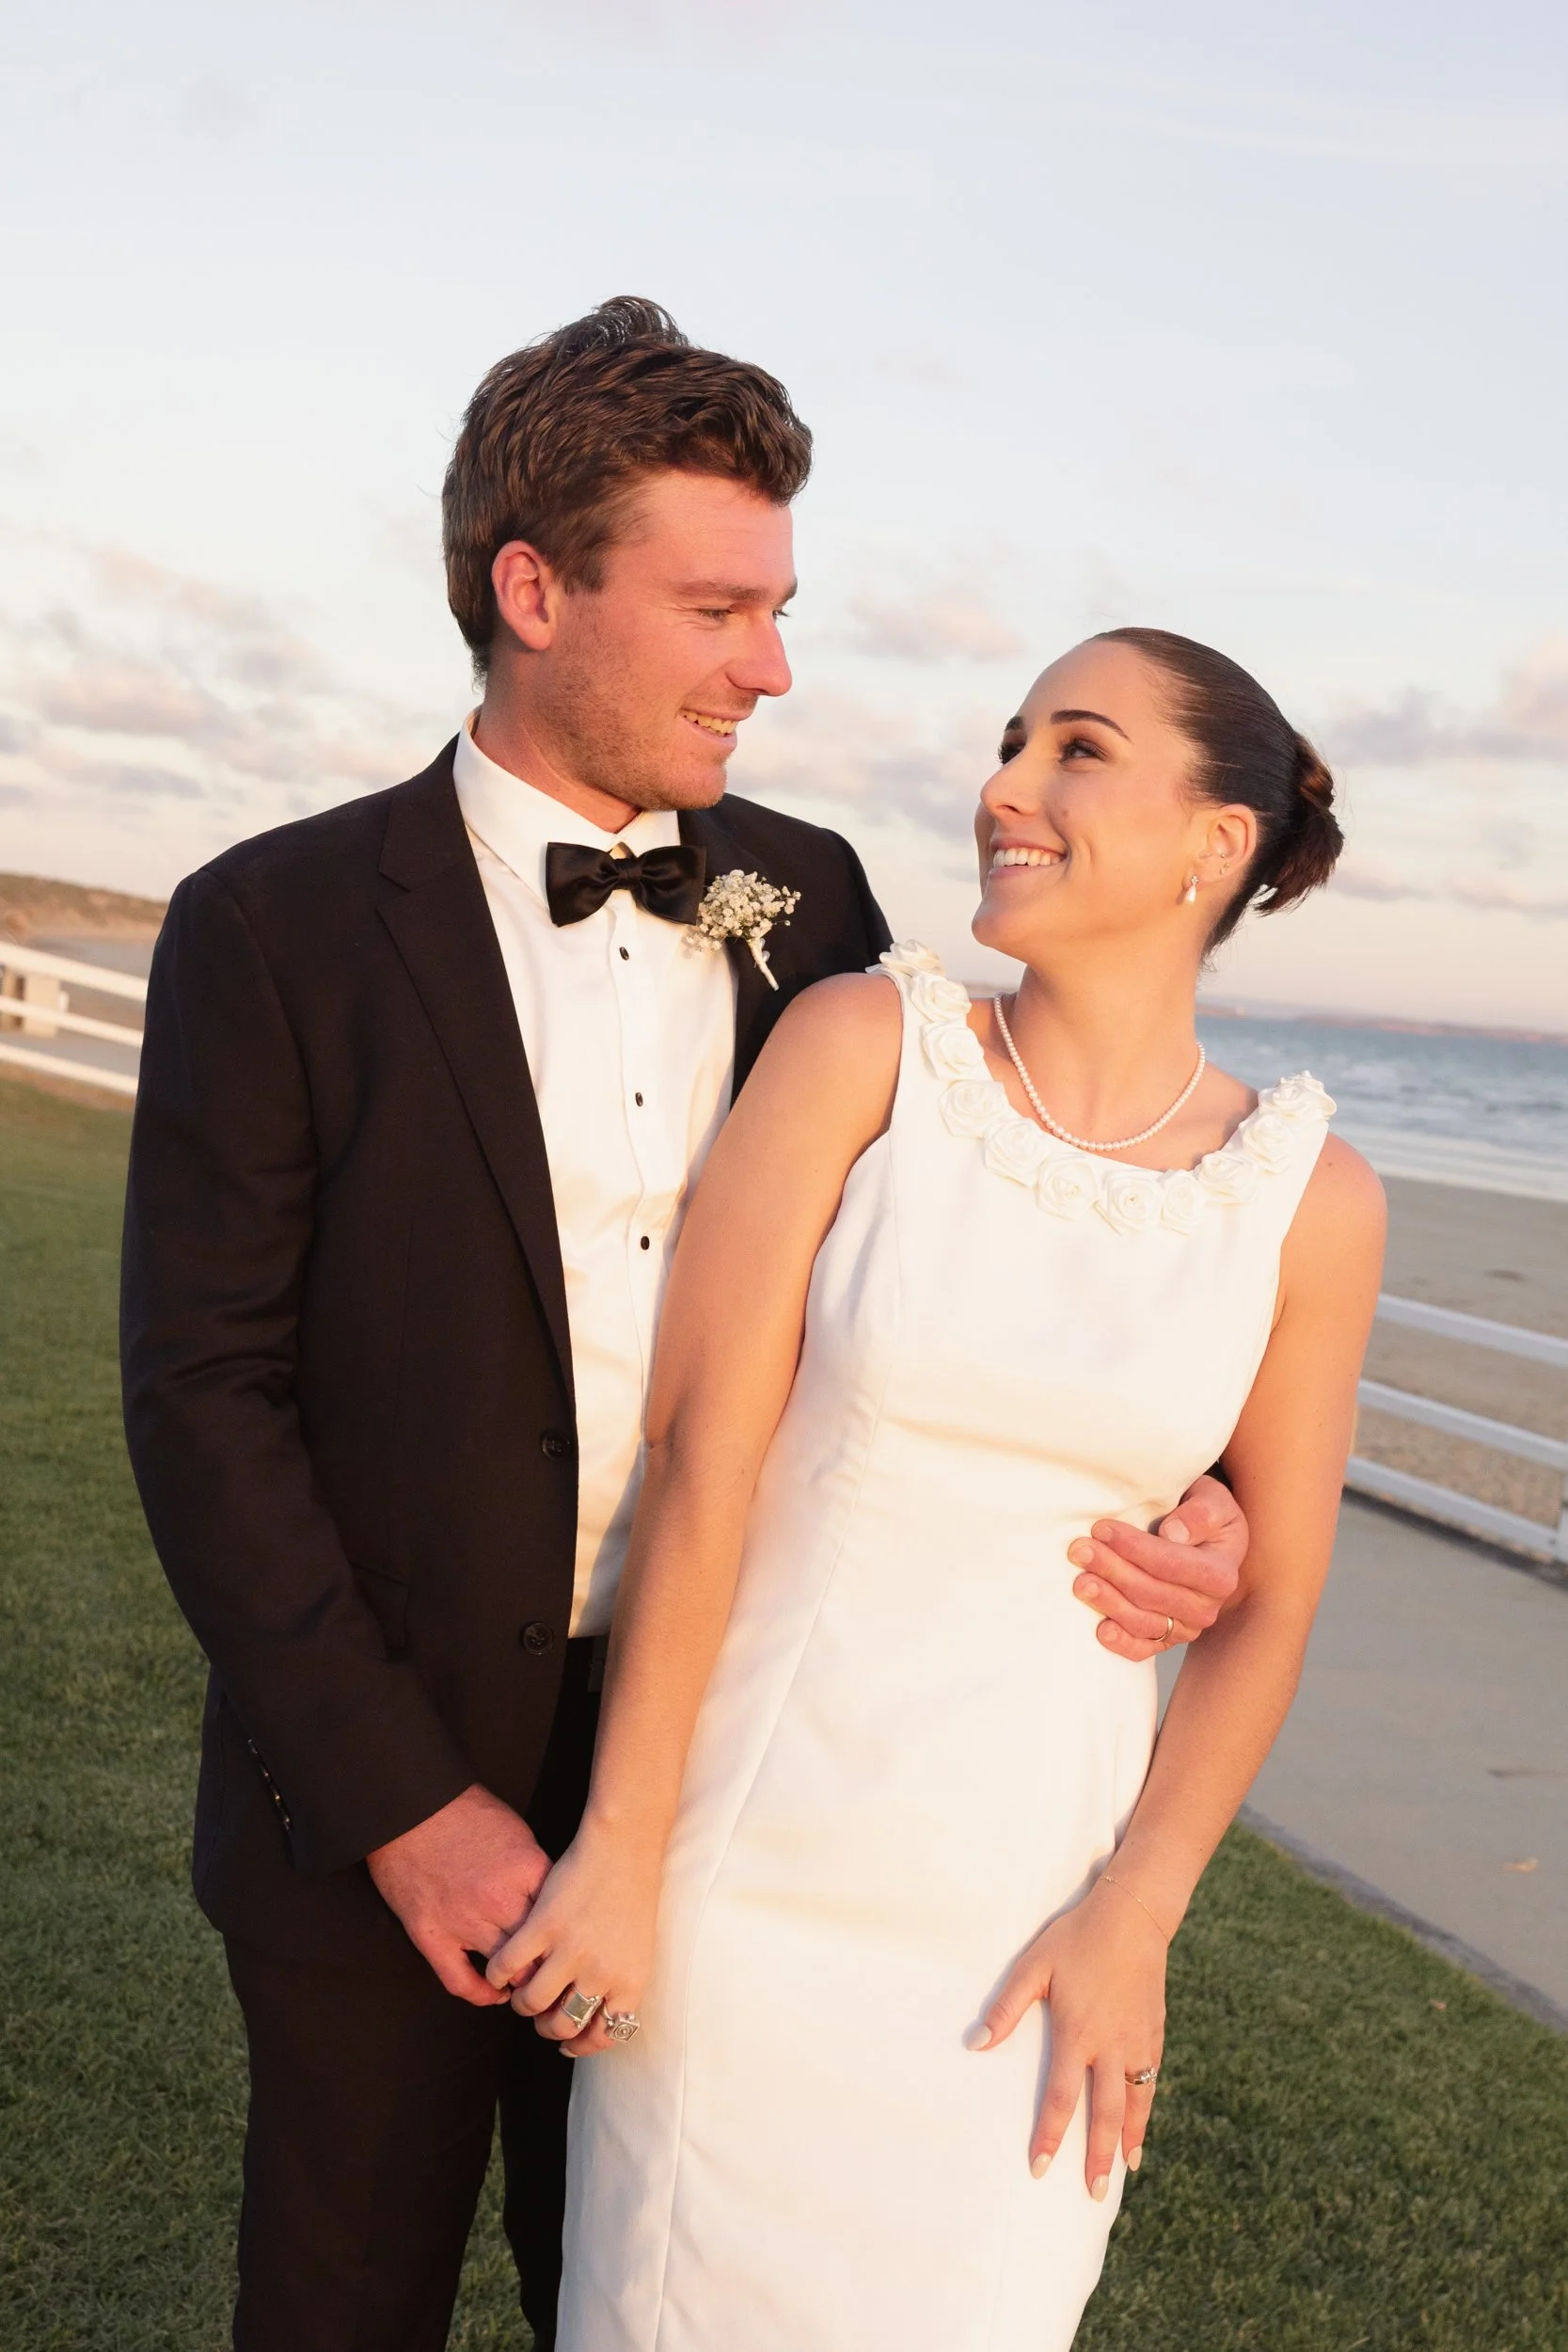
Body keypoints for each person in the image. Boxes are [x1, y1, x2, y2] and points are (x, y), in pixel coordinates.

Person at [118, 305, 1243, 2352]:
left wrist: (1213, 1502)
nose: (775, 666)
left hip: (741, 1782)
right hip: (379, 1787)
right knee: (340, 2303)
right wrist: (406, 1803)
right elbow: (204, 1404)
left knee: (654, 2297)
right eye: (720, 606)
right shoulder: (267, 925)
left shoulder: (811, 906)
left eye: (780, 605)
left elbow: (989, 1233)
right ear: (531, 590)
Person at [487, 626, 1387, 2351]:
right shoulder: (859, 1048)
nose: (1005, 787)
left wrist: (1140, 1913)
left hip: (1037, 1929)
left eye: (1077, 751)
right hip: (756, 1891)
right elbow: (701, 1460)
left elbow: (1272, 1607)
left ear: (1216, 844)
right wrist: (619, 1847)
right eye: (1010, 740)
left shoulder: (1308, 1199)